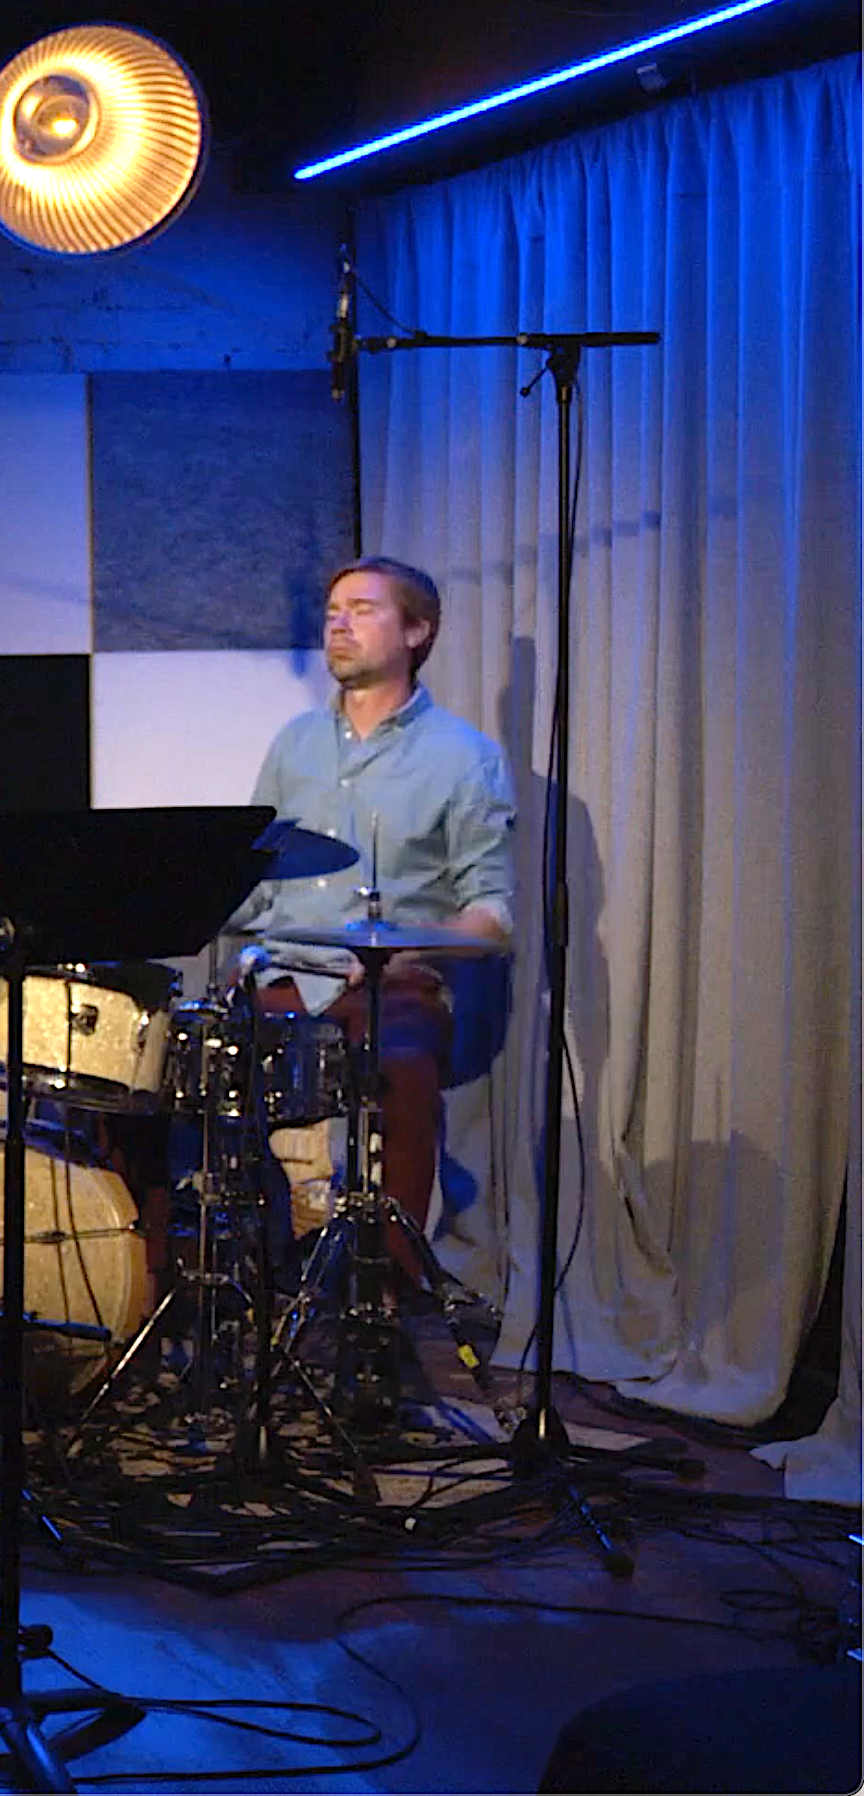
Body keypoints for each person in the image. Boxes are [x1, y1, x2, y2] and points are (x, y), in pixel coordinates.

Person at [233, 556, 514, 1299]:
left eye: (362, 608)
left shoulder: (464, 757)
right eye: (332, 610)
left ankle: (381, 1301)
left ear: (417, 631)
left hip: (387, 991)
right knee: (156, 1072)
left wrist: (401, 953)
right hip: (283, 980)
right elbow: (253, 876)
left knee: (401, 1066)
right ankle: (200, 1285)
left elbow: (490, 917)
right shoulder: (293, 744)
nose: (338, 623)